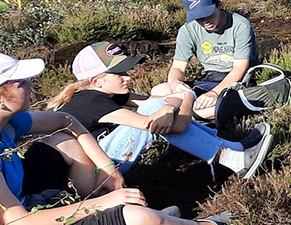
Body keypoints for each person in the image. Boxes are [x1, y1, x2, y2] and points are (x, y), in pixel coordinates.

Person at [0, 53, 231, 225]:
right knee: (138, 220)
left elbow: (65, 120)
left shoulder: (9, 123)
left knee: (64, 141)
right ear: (0, 99)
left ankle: (134, 219)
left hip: (30, 202)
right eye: (21, 83)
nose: (31, 86)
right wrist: (103, 203)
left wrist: (107, 167)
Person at [51, 42, 273, 179]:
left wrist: (174, 100)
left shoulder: (104, 94)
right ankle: (231, 160)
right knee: (157, 112)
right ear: (97, 81)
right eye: (119, 73)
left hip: (102, 159)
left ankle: (233, 148)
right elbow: (171, 125)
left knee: (159, 102)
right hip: (92, 174)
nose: (129, 77)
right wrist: (185, 97)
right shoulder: (90, 102)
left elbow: (159, 98)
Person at [155, 0, 258, 121]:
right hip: (209, 79)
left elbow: (239, 68)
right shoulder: (188, 30)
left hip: (238, 82)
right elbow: (178, 67)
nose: (205, 21)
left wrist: (214, 93)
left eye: (207, 14)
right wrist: (175, 83)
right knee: (160, 90)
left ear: (218, 4)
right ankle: (186, 116)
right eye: (198, 17)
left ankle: (179, 116)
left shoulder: (240, 25)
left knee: (220, 104)